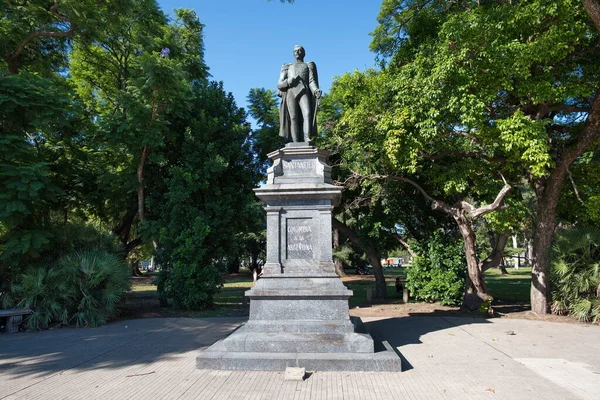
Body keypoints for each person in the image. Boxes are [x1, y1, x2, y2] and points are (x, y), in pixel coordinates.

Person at [277, 45, 322, 143]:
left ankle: (307, 138)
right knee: (293, 117)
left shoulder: (308, 65)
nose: (297, 52)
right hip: (290, 93)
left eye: (299, 50)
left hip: (303, 92)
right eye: (295, 51)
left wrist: (315, 90)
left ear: (304, 53)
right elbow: (279, 84)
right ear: (293, 53)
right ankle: (295, 141)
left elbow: (311, 81)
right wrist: (289, 81)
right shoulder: (287, 67)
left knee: (307, 113)